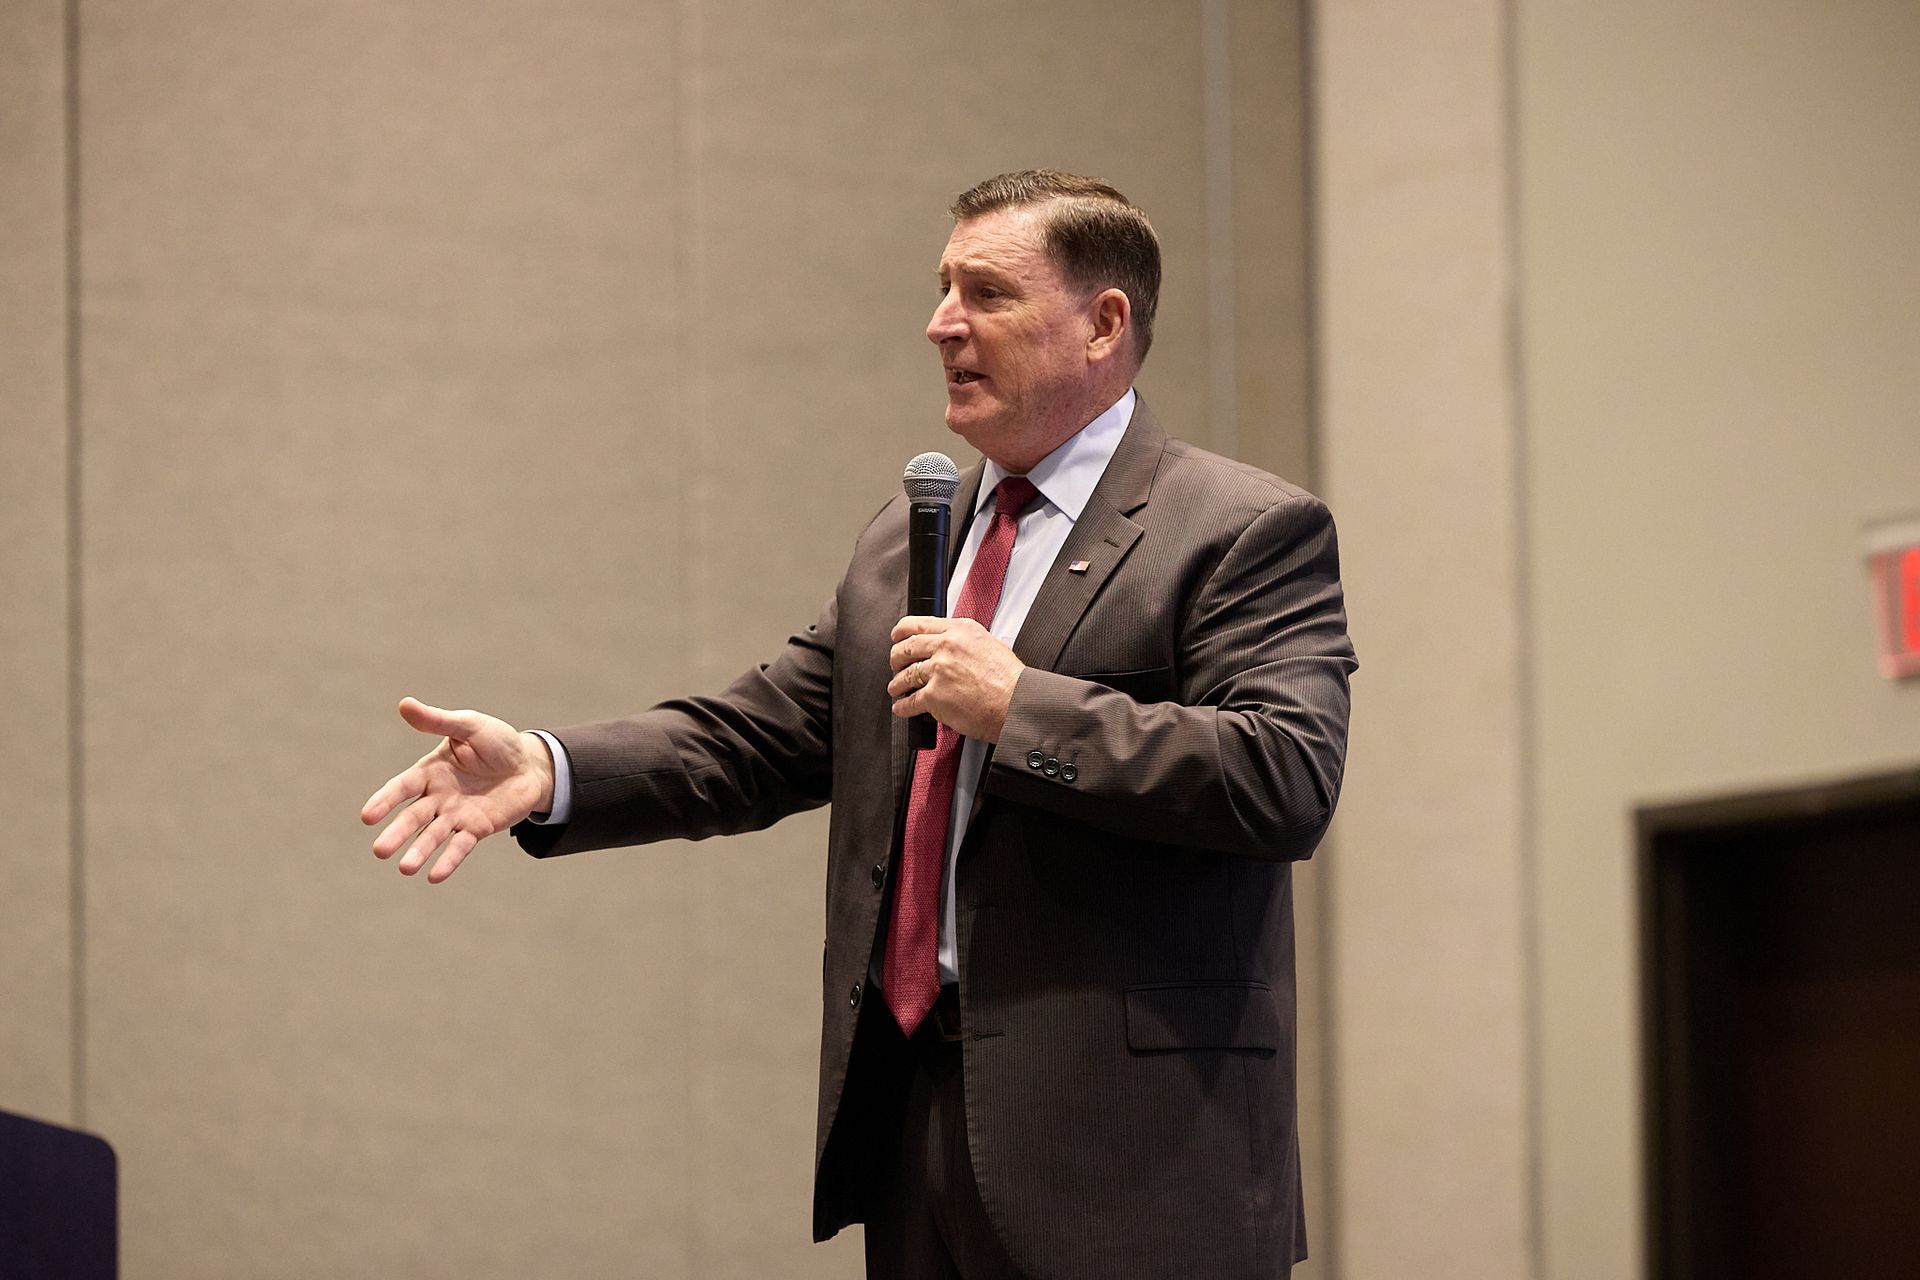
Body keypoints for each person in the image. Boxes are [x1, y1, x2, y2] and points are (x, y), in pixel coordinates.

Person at [361, 170, 1355, 1279]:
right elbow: (762, 735)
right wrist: (547, 770)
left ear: (1103, 322)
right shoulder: (911, 538)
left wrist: (1019, 704)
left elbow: (1285, 775)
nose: (942, 324)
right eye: (941, 287)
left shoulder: (1237, 528)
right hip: (914, 1122)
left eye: (986, 291)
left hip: (1133, 1152)